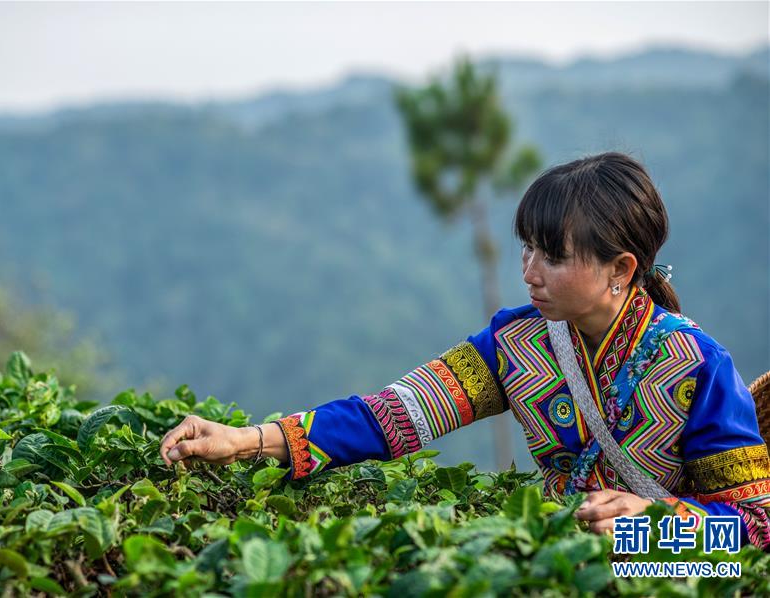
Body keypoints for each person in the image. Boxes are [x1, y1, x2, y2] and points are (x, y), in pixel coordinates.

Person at [160, 152, 770, 550]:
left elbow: (756, 526)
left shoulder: (700, 367)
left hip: (667, 578)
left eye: (552, 256)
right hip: (554, 568)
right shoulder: (516, 343)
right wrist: (246, 441)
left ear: (621, 268)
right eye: (526, 247)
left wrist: (651, 534)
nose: (529, 271)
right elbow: (395, 415)